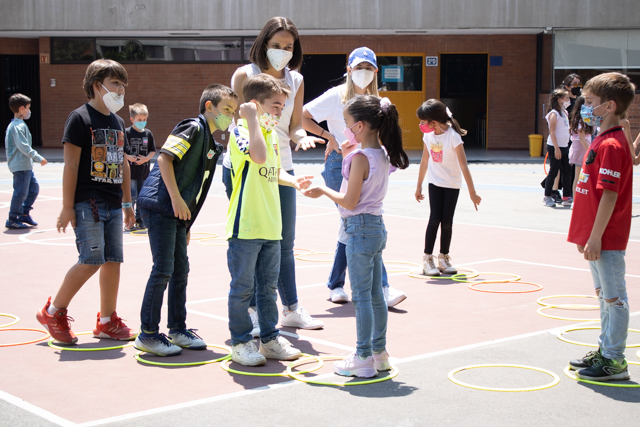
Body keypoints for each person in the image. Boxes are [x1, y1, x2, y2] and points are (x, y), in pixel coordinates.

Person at [226, 16, 324, 333]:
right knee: (253, 242)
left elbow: (294, 123)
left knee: (284, 242)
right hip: (246, 168)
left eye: (288, 47)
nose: (282, 51)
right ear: (264, 44)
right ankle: (252, 311)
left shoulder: (295, 80)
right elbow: (237, 119)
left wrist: (300, 136)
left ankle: (292, 308)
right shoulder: (245, 75)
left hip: (281, 166)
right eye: (276, 45)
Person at [302, 95, 409, 377]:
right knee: (375, 296)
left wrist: (323, 188)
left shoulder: (360, 158)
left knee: (362, 298)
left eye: (348, 124)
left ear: (360, 125)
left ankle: (363, 357)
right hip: (375, 227)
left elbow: (349, 202)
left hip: (359, 229)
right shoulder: (381, 154)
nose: (345, 130)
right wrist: (351, 151)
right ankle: (379, 353)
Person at [36, 59, 136, 344]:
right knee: (91, 260)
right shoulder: (79, 118)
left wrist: (128, 204)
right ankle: (53, 311)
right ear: (97, 85)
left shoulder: (117, 121)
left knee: (113, 261)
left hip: (114, 204)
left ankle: (106, 321)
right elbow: (70, 165)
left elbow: (124, 165)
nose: (121, 89)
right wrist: (67, 206)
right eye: (116, 83)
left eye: (122, 84)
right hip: (88, 203)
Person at [134, 84, 236, 356]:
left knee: (181, 269)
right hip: (160, 205)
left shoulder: (212, 143)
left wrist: (187, 222)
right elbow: (165, 159)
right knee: (164, 268)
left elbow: (199, 189)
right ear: (209, 107)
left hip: (177, 213)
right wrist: (176, 199)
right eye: (226, 110)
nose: (230, 116)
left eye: (233, 112)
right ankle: (148, 334)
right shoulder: (192, 127)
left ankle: (177, 329)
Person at [302, 47, 407, 307]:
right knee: (354, 221)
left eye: (368, 68)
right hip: (342, 162)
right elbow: (304, 116)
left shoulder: (380, 101)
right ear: (349, 70)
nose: (363, 73)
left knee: (352, 224)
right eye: (358, 68)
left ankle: (336, 284)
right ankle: (381, 286)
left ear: (375, 71)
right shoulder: (336, 96)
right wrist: (332, 139)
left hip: (371, 162)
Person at [227, 74, 311, 366]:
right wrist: (250, 120)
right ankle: (240, 343)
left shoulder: (272, 135)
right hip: (246, 225)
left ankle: (269, 339)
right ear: (254, 105)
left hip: (271, 226)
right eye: (275, 106)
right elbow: (259, 158)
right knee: (243, 288)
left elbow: (274, 172)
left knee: (268, 288)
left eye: (282, 106)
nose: (280, 112)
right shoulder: (241, 131)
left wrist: (297, 182)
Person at [567, 72, 635, 381]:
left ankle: (614, 360)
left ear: (608, 106)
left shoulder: (612, 144)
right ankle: (605, 349)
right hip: (595, 236)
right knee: (602, 296)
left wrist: (595, 238)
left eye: (590, 102)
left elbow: (609, 194)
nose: (584, 106)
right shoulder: (602, 138)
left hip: (606, 238)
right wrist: (585, 235)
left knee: (614, 298)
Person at [415, 100, 481, 276]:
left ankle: (443, 257)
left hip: (452, 184)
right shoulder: (428, 136)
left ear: (434, 122)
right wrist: (419, 185)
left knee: (447, 222)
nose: (421, 125)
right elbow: (424, 161)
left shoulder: (453, 137)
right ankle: (427, 258)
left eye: (423, 121)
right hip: (435, 183)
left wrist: (472, 193)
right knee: (434, 218)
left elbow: (464, 166)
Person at [4, 93, 47, 229]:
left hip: (25, 165)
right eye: (28, 108)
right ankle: (13, 218)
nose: (29, 111)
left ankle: (24, 213)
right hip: (21, 165)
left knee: (33, 189)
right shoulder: (18, 126)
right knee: (21, 192)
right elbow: (23, 146)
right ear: (22, 109)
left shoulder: (18, 124)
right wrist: (38, 157)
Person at [124, 103, 155, 230]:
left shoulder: (148, 134)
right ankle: (129, 220)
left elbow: (152, 150)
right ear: (132, 119)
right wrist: (129, 157)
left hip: (144, 172)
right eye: (139, 120)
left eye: (144, 119)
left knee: (142, 197)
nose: (142, 122)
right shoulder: (126, 132)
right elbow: (121, 150)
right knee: (131, 196)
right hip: (130, 172)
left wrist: (146, 158)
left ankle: (140, 219)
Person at [543, 88, 573, 207]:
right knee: (554, 171)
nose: (568, 100)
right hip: (556, 146)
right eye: (566, 98)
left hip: (565, 146)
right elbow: (552, 132)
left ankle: (566, 196)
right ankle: (547, 195)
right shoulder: (553, 114)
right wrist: (556, 148)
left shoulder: (564, 112)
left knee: (567, 171)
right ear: (559, 100)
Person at [568, 96, 593, 198]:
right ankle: (575, 200)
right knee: (578, 177)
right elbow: (582, 138)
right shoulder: (580, 120)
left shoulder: (584, 118)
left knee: (582, 177)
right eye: (588, 103)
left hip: (582, 147)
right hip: (580, 148)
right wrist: (591, 151)